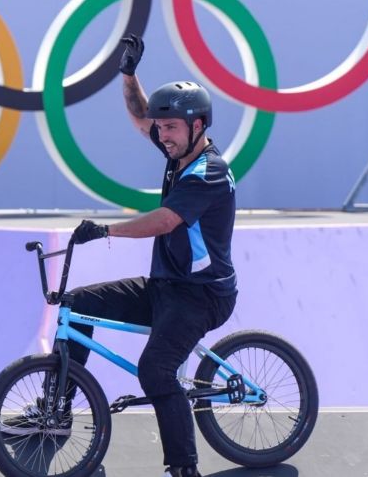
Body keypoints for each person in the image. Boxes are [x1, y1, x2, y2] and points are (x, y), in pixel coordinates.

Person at [70, 34, 239, 477]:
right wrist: (128, 74)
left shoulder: (208, 173)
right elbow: (139, 115)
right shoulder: (177, 150)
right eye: (160, 129)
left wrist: (105, 230)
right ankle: (55, 413)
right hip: (165, 286)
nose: (160, 135)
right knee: (77, 304)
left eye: (170, 128)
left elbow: (165, 221)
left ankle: (184, 468)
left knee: (156, 371)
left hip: (201, 295)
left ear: (198, 126)